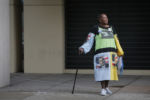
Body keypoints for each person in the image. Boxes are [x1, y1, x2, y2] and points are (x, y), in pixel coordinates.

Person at [78, 13, 123, 96]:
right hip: (101, 54)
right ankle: (102, 89)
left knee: (109, 72)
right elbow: (89, 40)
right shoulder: (95, 28)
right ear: (99, 20)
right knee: (102, 71)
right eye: (103, 18)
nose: (106, 19)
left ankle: (106, 88)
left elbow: (116, 40)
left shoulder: (112, 28)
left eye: (106, 18)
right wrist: (83, 48)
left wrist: (120, 51)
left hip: (112, 53)